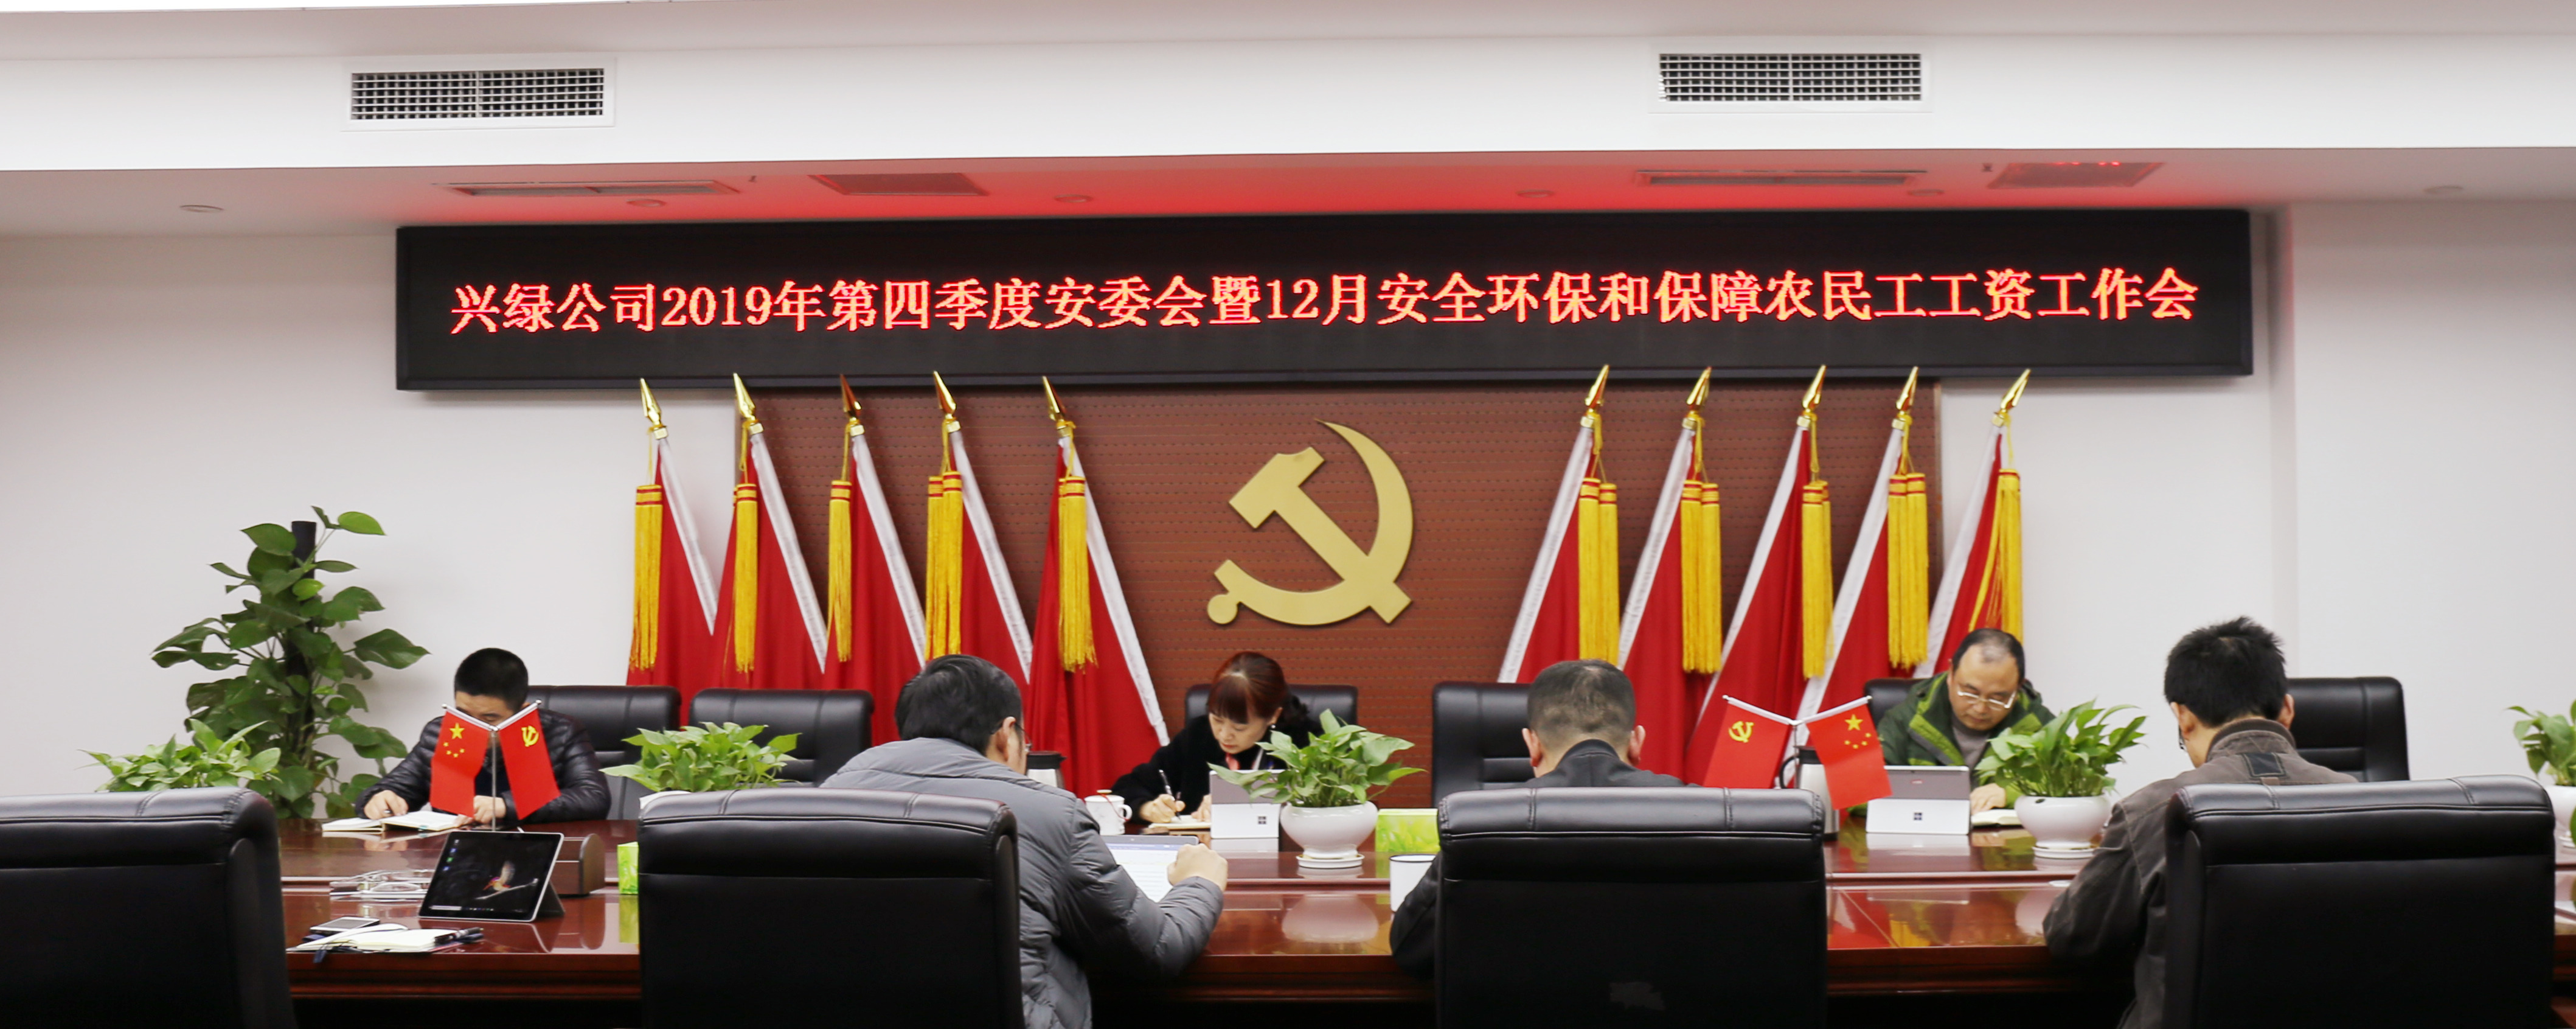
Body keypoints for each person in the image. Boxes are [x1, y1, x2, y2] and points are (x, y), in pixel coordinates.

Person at [824, 655, 1229, 1029]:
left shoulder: (829, 796)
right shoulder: (1048, 812)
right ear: (1006, 734)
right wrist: (1199, 882)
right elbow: (1156, 948)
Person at [2044, 617, 2350, 1029]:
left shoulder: (2154, 810)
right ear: (2288, 710)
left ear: (2183, 717)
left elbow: (2072, 937)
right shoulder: (2358, 801)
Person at [1387, 659, 1685, 979]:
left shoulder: (1481, 823)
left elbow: (1410, 949)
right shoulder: (1706, 815)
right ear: (1637, 741)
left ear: (1533, 745)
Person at [362, 647, 608, 825]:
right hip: (452, 853)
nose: (474, 727)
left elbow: (593, 798)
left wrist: (507, 805)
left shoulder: (561, 732)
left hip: (533, 850)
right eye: (464, 715)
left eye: (489, 719)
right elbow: (395, 788)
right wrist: (379, 799)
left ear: (522, 712)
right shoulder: (442, 733)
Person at [1111, 651, 1321, 823]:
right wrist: (1148, 808)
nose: (1224, 735)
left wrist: (1235, 804)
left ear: (1273, 716)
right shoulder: (1198, 735)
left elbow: (1324, 805)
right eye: (1218, 720)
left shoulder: (1306, 744)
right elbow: (1127, 788)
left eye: (1239, 727)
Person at [1877, 628, 2057, 812]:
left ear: (2017, 690)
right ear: (1951, 674)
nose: (1980, 709)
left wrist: (2012, 793)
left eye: (1998, 699)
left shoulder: (2038, 724)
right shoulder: (1907, 718)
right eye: (1970, 693)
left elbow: (2070, 780)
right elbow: (1864, 790)